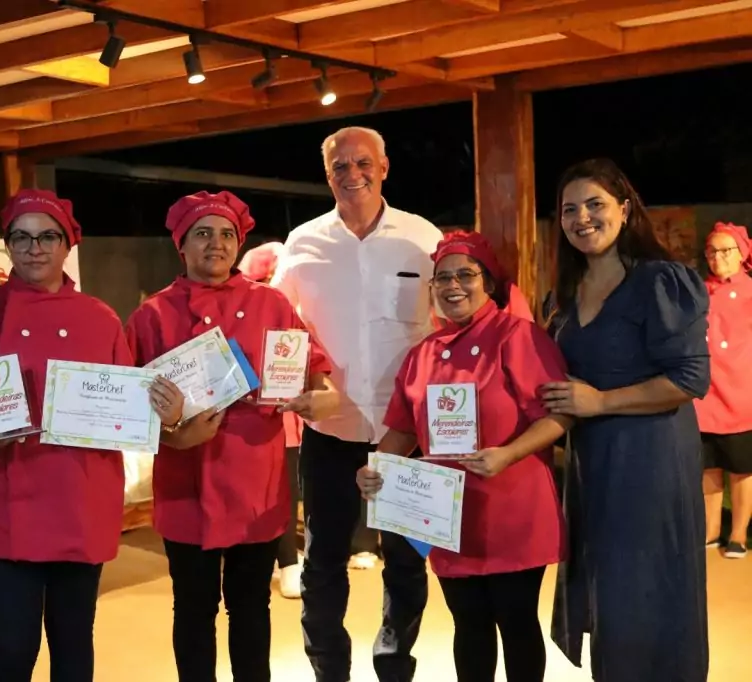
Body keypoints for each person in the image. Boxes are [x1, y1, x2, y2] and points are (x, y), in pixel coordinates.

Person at [0, 190, 184, 682]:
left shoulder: (99, 317)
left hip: (81, 499)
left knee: (74, 644)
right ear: (7, 244)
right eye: (22, 237)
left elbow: (128, 406)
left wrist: (169, 412)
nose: (35, 248)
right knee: (13, 650)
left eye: (48, 236)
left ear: (68, 242)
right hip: (8, 502)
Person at [126, 191, 338, 682]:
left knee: (251, 608)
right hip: (185, 480)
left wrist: (322, 397)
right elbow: (127, 406)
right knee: (193, 609)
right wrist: (175, 430)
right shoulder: (152, 315)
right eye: (203, 233)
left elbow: (314, 372)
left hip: (254, 479)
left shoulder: (273, 304)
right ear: (181, 244)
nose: (216, 245)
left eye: (226, 234)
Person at [356, 230, 570, 682]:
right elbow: (403, 429)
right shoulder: (423, 354)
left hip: (513, 509)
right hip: (447, 515)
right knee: (467, 623)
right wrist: (376, 468)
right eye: (442, 278)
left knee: (516, 622)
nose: (453, 285)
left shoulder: (519, 336)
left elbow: (559, 417)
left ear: (488, 283)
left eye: (466, 275)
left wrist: (507, 454)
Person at [272, 126, 441, 682]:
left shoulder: (422, 238)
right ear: (328, 176)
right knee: (322, 564)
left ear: (385, 167)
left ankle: (395, 666)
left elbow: (448, 325)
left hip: (407, 431)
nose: (353, 174)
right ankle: (329, 671)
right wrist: (295, 381)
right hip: (332, 429)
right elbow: (278, 326)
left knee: (408, 561)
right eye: (340, 166)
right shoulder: (302, 243)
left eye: (363, 163)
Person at [543, 158, 710, 681]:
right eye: (570, 209)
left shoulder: (660, 281)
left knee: (649, 592)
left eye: (595, 204)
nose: (582, 218)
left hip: (652, 458)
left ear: (624, 207)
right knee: (610, 597)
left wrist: (601, 402)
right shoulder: (562, 296)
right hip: (593, 465)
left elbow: (689, 379)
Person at [239, 241, 304, 599]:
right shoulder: (245, 315)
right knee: (270, 493)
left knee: (289, 491)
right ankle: (286, 564)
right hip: (256, 422)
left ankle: (291, 561)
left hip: (293, 420)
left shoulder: (289, 312)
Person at [695, 221, 752, 558]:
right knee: (708, 468)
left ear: (742, 253)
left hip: (743, 392)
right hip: (706, 394)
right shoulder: (700, 291)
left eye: (725, 251)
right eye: (712, 251)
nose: (717, 258)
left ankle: (739, 533)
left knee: (742, 468)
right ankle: (710, 531)